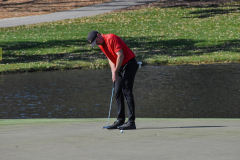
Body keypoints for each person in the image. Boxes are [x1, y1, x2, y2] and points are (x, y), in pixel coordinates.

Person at [87, 31, 138, 130]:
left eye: (95, 41)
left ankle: (131, 122)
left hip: (129, 64)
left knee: (127, 91)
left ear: (99, 35)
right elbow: (110, 58)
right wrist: (113, 71)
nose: (96, 44)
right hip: (120, 66)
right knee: (117, 91)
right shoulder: (101, 44)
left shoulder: (111, 38)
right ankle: (120, 120)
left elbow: (120, 55)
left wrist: (116, 70)